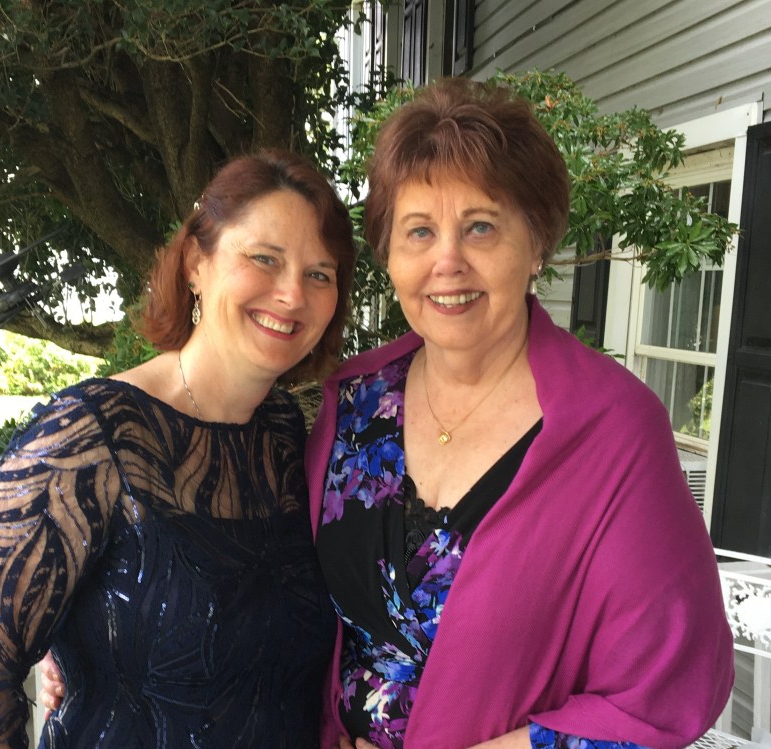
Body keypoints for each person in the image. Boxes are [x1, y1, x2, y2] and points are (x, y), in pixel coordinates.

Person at [305, 77, 734, 749]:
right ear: (390, 256)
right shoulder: (352, 403)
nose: (448, 261)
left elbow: (662, 696)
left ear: (536, 245)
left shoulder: (615, 431)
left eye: (481, 226)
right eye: (419, 231)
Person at [0, 149, 357, 749]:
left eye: (320, 273)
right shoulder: (89, 435)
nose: (292, 294)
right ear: (194, 264)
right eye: (264, 259)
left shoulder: (291, 433)